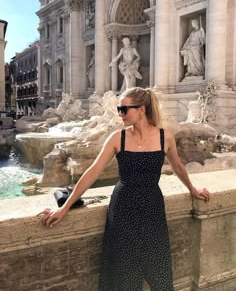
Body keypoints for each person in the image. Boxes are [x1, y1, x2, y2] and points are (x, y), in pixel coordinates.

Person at [37, 87, 210, 291]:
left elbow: (178, 167)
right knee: (123, 273)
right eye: (119, 109)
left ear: (141, 110)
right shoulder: (117, 138)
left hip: (152, 207)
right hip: (123, 208)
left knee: (159, 270)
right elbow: (92, 173)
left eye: (124, 109)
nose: (120, 114)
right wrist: (65, 207)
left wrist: (193, 189)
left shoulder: (165, 137)